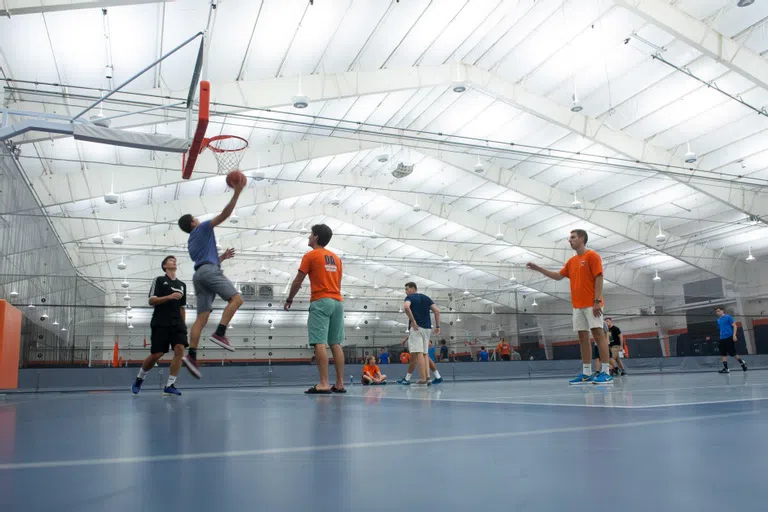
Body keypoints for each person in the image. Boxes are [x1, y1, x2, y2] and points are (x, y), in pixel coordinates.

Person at [527, 229, 613, 385]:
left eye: (572, 237)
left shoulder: (592, 256)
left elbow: (599, 277)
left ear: (582, 239)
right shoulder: (571, 262)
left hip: (592, 304)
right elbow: (558, 276)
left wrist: (597, 301)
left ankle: (606, 372)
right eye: (570, 238)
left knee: (598, 334)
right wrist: (538, 268)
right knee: (582, 338)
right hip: (577, 306)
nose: (570, 240)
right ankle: (586, 373)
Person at [177, 182, 245, 379]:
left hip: (199, 275)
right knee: (237, 300)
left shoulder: (191, 242)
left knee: (201, 317)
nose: (198, 219)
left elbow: (204, 260)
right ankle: (220, 332)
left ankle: (191, 356)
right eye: (195, 218)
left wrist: (221, 257)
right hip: (209, 272)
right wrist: (237, 193)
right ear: (192, 223)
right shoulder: (204, 227)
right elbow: (224, 215)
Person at [284, 224, 346, 394]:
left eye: (311, 234)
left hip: (321, 301)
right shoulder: (336, 259)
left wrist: (290, 299)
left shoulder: (311, 256)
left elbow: (298, 280)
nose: (308, 237)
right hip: (338, 302)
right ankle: (340, 383)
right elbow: (338, 283)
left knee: (319, 341)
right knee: (336, 343)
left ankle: (324, 383)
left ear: (316, 237)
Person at [131, 256, 187, 396]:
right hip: (161, 321)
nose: (174, 260)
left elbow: (182, 308)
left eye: (175, 259)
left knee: (179, 348)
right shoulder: (159, 280)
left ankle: (170, 384)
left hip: (177, 322)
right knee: (157, 354)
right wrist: (169, 297)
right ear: (164, 266)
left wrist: (183, 325)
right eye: (170, 260)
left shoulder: (182, 285)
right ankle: (140, 377)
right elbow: (151, 301)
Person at [401, 282, 441, 385]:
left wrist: (413, 321)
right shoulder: (426, 298)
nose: (406, 292)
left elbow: (406, 307)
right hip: (427, 328)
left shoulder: (410, 298)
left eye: (407, 289)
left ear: (413, 289)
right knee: (425, 353)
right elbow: (437, 311)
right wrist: (437, 326)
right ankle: (427, 377)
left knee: (419, 353)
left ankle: (423, 379)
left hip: (417, 328)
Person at [715, 306, 747, 373]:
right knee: (723, 354)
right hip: (722, 339)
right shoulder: (718, 320)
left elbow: (735, 325)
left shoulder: (728, 317)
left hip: (729, 338)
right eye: (716, 311)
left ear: (722, 310)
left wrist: (734, 335)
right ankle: (726, 369)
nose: (717, 312)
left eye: (718, 311)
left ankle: (742, 363)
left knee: (733, 353)